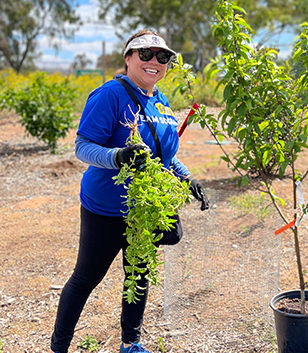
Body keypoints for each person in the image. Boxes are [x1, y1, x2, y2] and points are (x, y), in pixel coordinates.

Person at [50, 29, 209, 353]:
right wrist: (116, 156)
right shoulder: (110, 94)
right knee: (85, 279)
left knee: (137, 275)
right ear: (128, 58)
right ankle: (58, 347)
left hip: (145, 210)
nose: (154, 61)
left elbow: (164, 154)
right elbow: (82, 147)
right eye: (145, 54)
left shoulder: (161, 102)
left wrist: (187, 179)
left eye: (162, 57)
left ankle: (130, 343)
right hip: (106, 208)